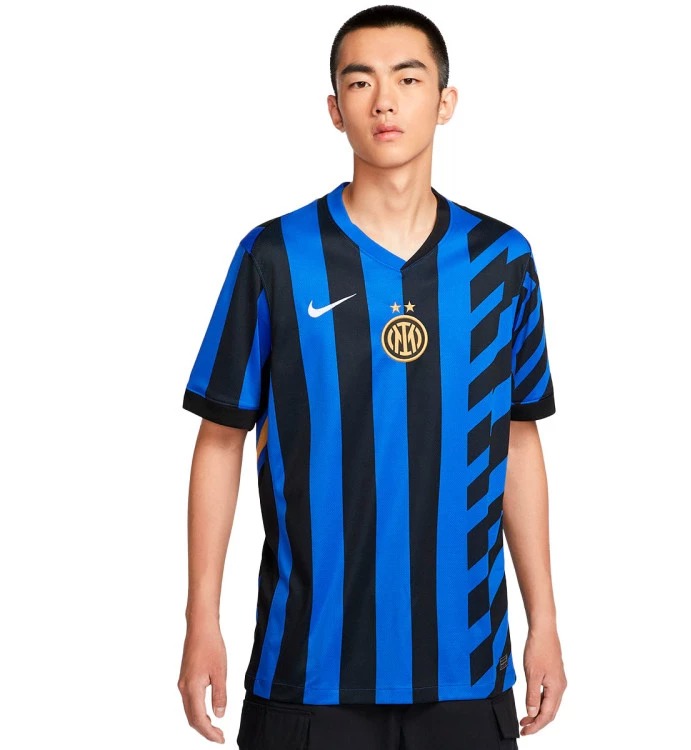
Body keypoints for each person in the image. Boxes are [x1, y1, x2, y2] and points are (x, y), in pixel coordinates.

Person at [178, 4, 567, 749]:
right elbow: (220, 441)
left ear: (445, 101)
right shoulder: (275, 257)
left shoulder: (502, 260)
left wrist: (544, 619)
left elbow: (517, 439)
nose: (384, 100)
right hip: (307, 673)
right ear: (335, 109)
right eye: (360, 82)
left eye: (407, 79)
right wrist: (202, 620)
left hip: (468, 671)